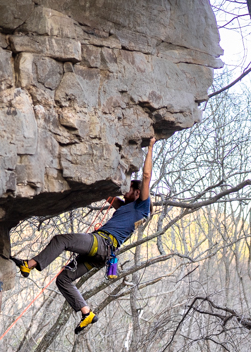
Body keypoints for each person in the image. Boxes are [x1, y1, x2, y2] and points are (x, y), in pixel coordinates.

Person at [11, 137, 155, 333]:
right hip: (101, 255)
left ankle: (29, 264)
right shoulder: (126, 207)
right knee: (63, 279)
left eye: (129, 189)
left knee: (61, 240)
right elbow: (108, 194)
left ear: (138, 193)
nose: (125, 192)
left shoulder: (142, 207)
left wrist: (151, 146)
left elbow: (146, 176)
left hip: (101, 244)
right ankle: (87, 313)